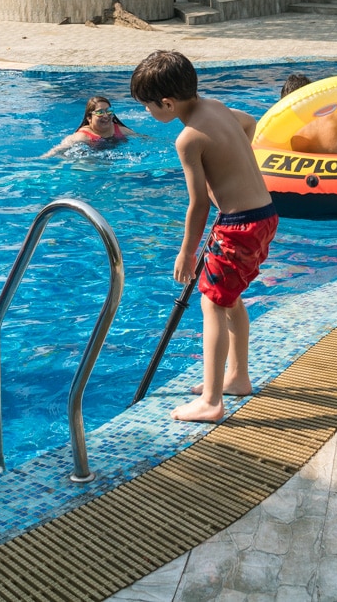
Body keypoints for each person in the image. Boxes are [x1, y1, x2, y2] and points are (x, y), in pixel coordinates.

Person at [132, 50, 278, 423]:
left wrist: (186, 252)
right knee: (230, 299)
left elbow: (197, 206)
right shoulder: (215, 106)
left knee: (212, 304)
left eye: (147, 105)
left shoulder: (188, 139)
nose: (147, 112)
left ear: (166, 103)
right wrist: (234, 175)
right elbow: (250, 124)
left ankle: (212, 401)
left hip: (238, 225)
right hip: (263, 215)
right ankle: (238, 377)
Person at [42, 96, 141, 157]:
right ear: (89, 118)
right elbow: (59, 149)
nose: (106, 116)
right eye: (100, 112)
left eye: (109, 111)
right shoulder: (83, 136)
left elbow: (145, 139)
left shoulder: (120, 130)